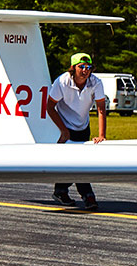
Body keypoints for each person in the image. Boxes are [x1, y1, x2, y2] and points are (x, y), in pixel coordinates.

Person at [45, 52, 107, 210]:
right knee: (74, 162)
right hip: (64, 124)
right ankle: (87, 196)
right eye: (82, 67)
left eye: (89, 67)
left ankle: (61, 190)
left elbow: (101, 109)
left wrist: (101, 135)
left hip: (82, 125)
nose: (86, 71)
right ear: (73, 68)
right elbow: (50, 107)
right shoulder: (62, 81)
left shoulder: (96, 82)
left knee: (81, 162)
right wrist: (63, 130)